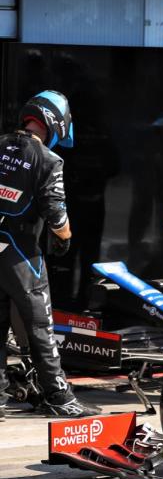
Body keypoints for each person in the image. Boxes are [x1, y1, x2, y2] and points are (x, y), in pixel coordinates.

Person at [0, 91, 98, 418]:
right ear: (56, 122)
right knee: (41, 326)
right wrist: (64, 239)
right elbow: (57, 215)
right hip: (21, 255)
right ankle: (59, 397)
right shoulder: (48, 159)